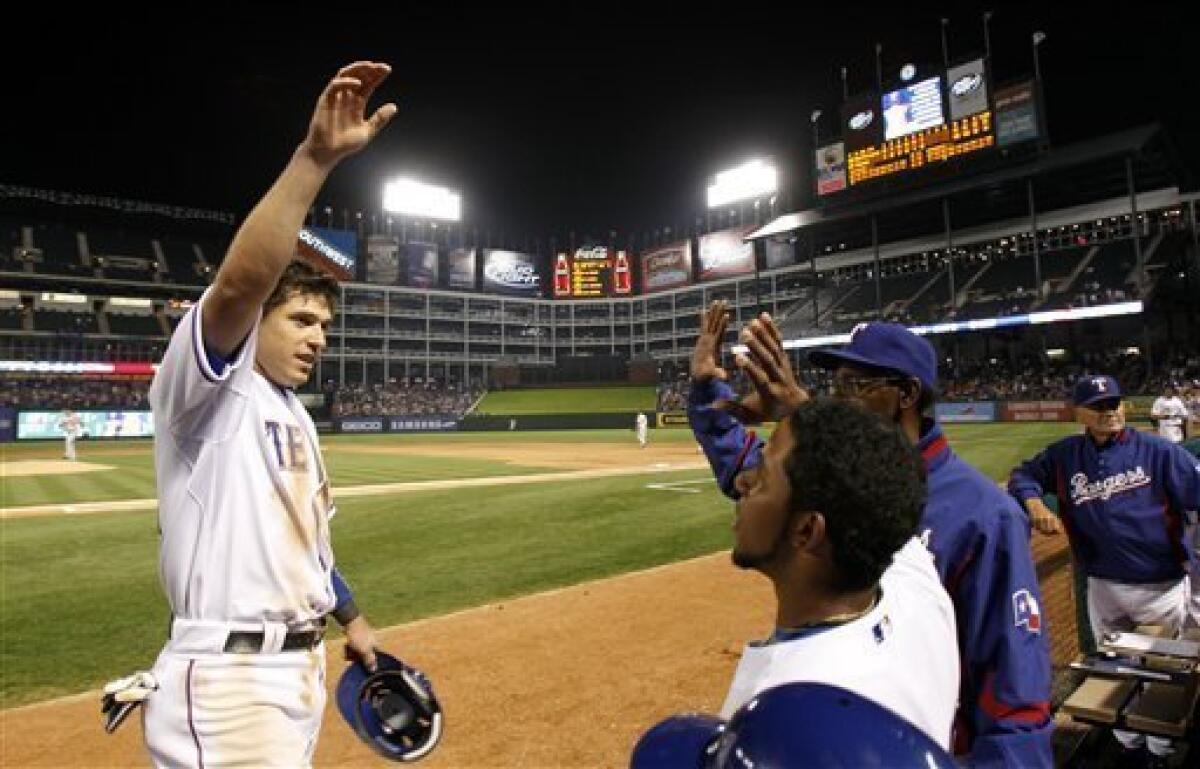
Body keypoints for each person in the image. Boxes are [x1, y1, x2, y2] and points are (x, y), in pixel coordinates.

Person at [139, 61, 397, 767]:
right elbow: (242, 280)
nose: (319, 335)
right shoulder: (209, 388)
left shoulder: (297, 416)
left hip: (298, 672)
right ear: (258, 322)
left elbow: (311, 547)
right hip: (227, 681)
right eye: (303, 318)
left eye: (326, 325)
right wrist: (314, 159)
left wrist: (353, 618)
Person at [688, 303, 1053, 767]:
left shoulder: (984, 514)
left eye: (854, 386)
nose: (838, 398)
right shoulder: (868, 505)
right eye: (834, 385)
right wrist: (709, 389)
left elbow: (1016, 698)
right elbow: (758, 475)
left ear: (906, 394)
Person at [715, 397, 959, 748]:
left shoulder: (778, 718)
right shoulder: (918, 588)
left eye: (763, 476)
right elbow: (870, 477)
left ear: (807, 531)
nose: (742, 482)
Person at [1008, 374, 1200, 767]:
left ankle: (1160, 753)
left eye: (1113, 403)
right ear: (1079, 413)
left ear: (1124, 407)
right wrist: (1035, 504)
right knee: (1114, 669)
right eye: (1097, 406)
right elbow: (1023, 475)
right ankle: (1128, 747)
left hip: (1161, 585)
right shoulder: (1065, 454)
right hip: (1101, 585)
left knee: (1161, 674)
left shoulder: (1160, 452)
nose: (1108, 412)